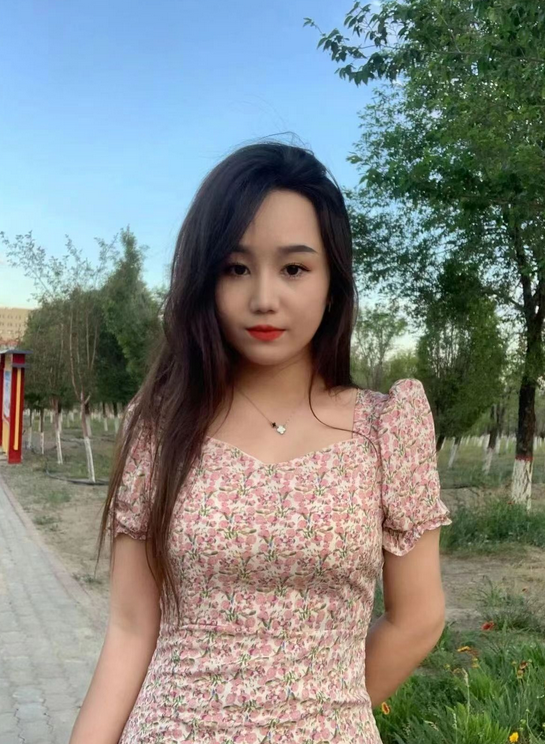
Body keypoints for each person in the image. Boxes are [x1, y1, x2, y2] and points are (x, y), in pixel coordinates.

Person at [69, 140, 452, 744]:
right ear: (205, 280)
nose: (264, 298)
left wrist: (313, 717)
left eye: (294, 268)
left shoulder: (386, 429)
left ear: (333, 283)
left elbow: (418, 619)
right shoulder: (160, 427)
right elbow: (130, 629)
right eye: (236, 268)